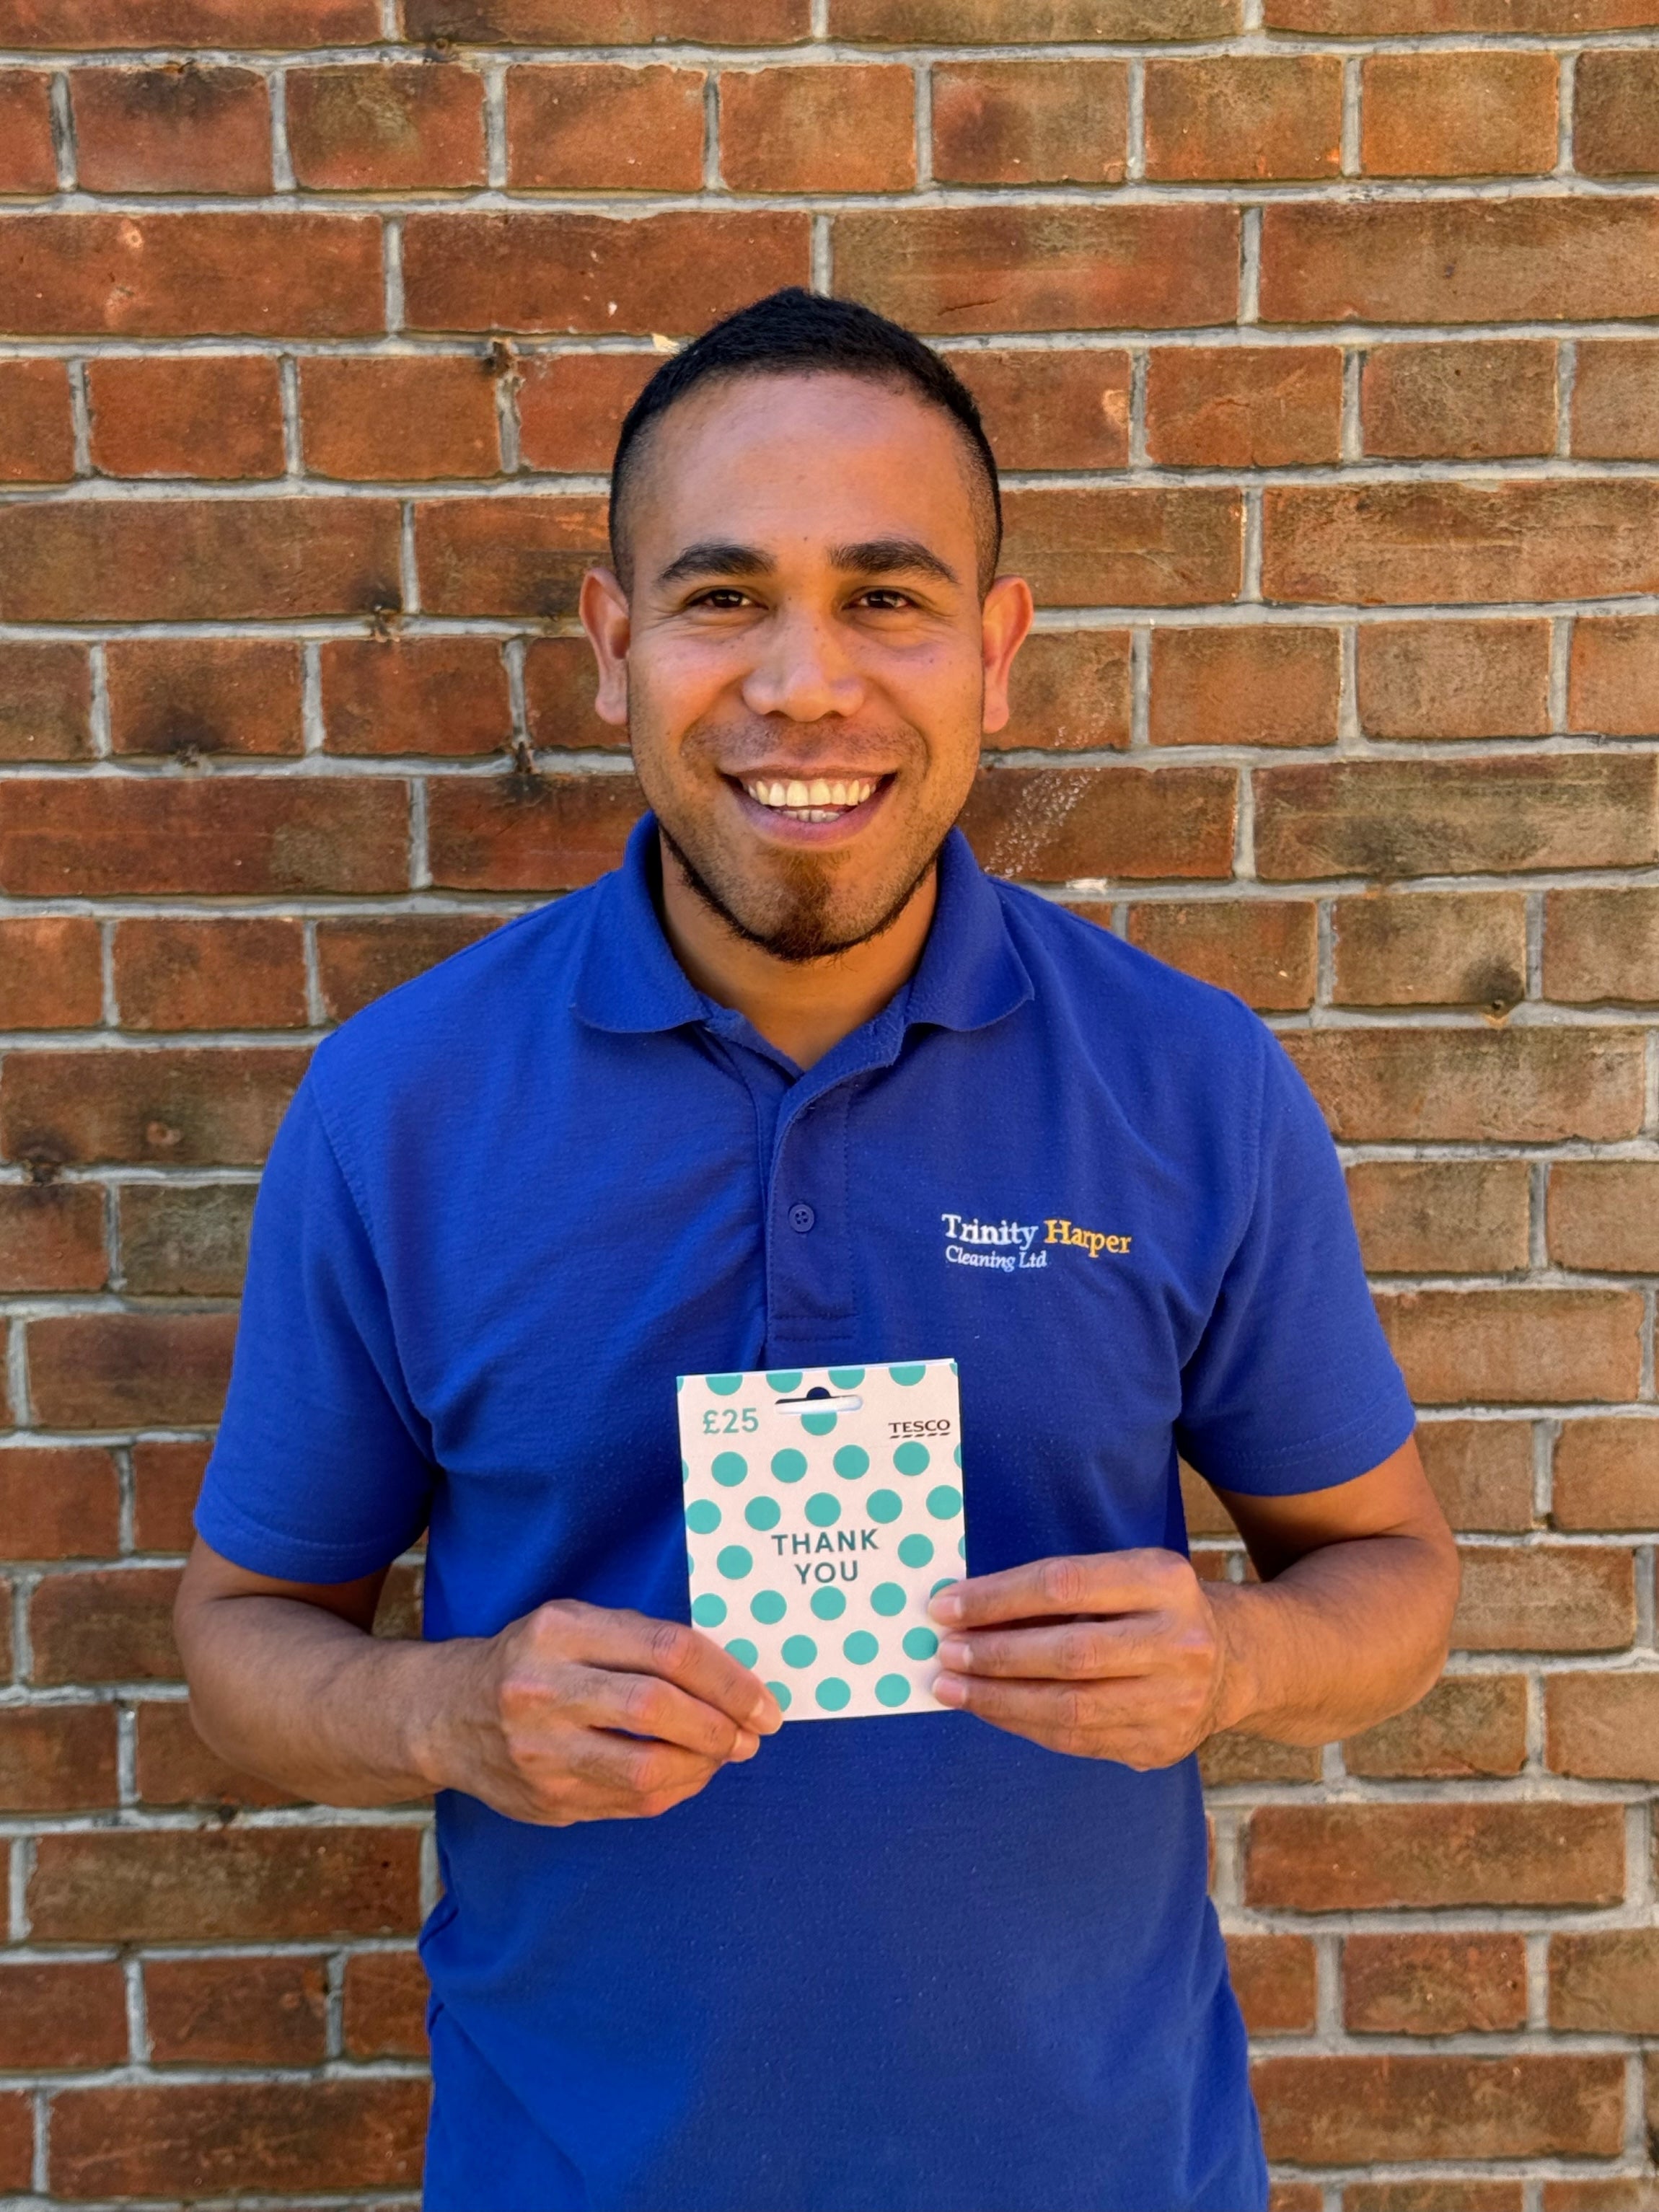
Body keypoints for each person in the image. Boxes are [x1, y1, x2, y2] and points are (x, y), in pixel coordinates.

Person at [175, 288, 1459, 2212]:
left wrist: (1238, 1657)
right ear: (611, 647)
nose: (801, 685)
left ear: (993, 651)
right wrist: (448, 1705)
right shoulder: (402, 1108)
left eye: (884, 597)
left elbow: (1392, 1578)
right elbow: (235, 1635)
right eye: (719, 599)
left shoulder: (1187, 1081)